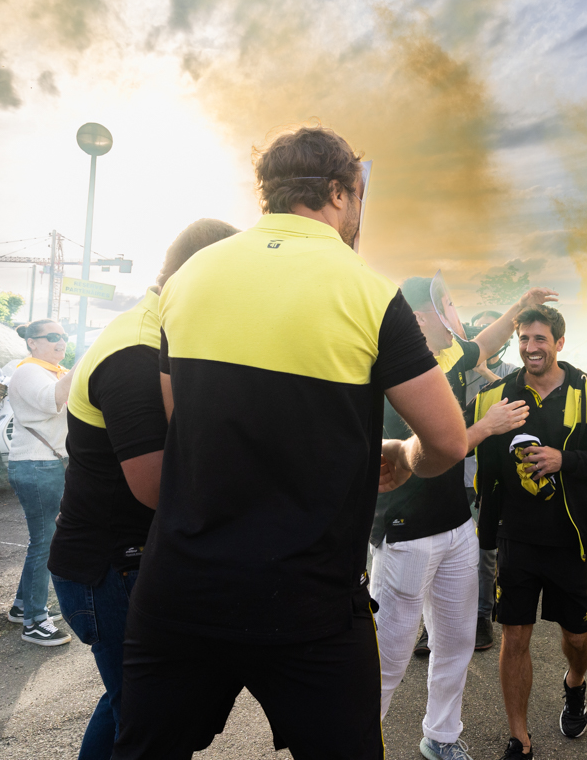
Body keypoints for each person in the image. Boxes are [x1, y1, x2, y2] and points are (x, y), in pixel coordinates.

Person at [113, 125, 468, 760]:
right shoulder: (368, 290)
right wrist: (405, 458)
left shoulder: (190, 278)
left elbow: (181, 420)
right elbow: (446, 441)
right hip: (309, 603)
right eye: (358, 199)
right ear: (340, 192)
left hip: (181, 590)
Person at [48, 218, 237, 760]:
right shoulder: (135, 351)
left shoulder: (161, 331)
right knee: (149, 716)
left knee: (134, 707)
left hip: (130, 561)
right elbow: (155, 485)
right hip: (112, 569)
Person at [372, 281, 554, 760]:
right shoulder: (391, 372)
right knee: (385, 659)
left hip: (454, 527)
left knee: (454, 644)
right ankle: (358, 742)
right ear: (419, 318)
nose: (455, 312)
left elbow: (488, 341)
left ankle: (441, 738)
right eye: (445, 303)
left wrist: (522, 304)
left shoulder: (443, 358)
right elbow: (423, 456)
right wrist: (485, 427)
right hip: (405, 534)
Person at [471, 305, 587, 759]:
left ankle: (575, 682)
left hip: (571, 539)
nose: (530, 347)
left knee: (577, 636)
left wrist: (565, 460)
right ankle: (518, 737)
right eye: (523, 338)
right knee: (514, 636)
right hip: (515, 538)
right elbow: (470, 452)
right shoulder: (495, 396)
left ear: (559, 343)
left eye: (540, 339)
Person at [5, 318, 75, 646]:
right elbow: (53, 400)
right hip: (37, 465)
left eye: (63, 336)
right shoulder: (29, 371)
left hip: (47, 464)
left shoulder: (53, 371)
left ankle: (22, 606)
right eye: (52, 337)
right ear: (32, 342)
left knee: (45, 538)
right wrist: (87, 362)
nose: (61, 342)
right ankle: (34, 620)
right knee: (45, 541)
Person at [463, 309, 520, 651]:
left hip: (486, 479)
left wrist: (485, 371)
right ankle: (433, 625)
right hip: (450, 474)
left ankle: (483, 616)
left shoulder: (512, 374)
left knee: (483, 551)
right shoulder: (455, 373)